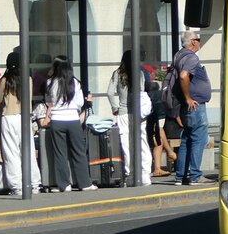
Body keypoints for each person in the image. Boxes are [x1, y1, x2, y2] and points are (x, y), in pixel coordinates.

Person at [0, 51, 42, 195]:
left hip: (8, 117)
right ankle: (35, 184)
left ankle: (17, 186)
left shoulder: (5, 81)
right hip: (25, 117)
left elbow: (0, 100)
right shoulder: (28, 79)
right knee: (29, 151)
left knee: (11, 153)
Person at [45, 57, 96, 192]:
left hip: (56, 120)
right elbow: (80, 103)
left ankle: (64, 184)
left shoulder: (50, 82)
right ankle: (85, 183)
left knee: (60, 154)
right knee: (79, 152)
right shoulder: (75, 83)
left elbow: (49, 101)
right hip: (73, 120)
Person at [174, 30, 213, 185]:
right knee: (199, 138)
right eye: (198, 39)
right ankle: (195, 176)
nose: (199, 42)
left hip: (187, 105)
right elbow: (184, 75)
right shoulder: (192, 58)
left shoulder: (179, 55)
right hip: (195, 105)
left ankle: (180, 176)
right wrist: (189, 98)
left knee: (186, 138)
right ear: (192, 42)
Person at [106, 51, 151, 187]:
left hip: (124, 112)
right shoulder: (140, 74)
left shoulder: (118, 74)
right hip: (138, 113)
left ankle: (129, 173)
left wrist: (115, 107)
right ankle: (145, 173)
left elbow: (109, 92)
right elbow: (142, 93)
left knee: (126, 143)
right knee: (142, 141)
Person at [147, 73, 175, 177]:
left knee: (157, 140)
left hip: (145, 125)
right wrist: (169, 150)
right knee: (158, 142)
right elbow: (159, 129)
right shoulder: (159, 99)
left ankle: (157, 168)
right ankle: (157, 168)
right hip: (152, 126)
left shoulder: (146, 97)